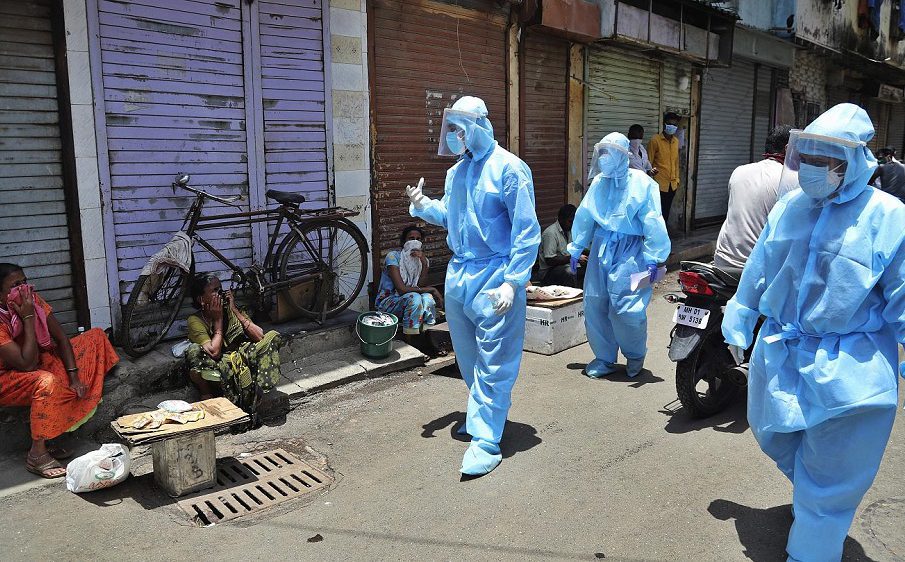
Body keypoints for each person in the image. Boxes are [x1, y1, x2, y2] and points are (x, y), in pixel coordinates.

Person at [721, 103, 905, 562]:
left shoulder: (888, 217)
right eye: (808, 158)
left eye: (826, 160)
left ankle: (812, 548)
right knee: (774, 433)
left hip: (850, 366)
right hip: (782, 350)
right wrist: (741, 310)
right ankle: (813, 501)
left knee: (833, 472)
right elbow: (761, 265)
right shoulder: (790, 207)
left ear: (854, 161)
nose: (812, 169)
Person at [406, 95, 541, 476]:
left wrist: (513, 282)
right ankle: (483, 412)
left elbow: (526, 231)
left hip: (495, 274)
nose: (454, 135)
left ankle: (486, 439)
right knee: (466, 355)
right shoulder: (457, 172)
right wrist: (423, 205)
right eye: (450, 129)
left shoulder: (510, 169)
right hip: (460, 273)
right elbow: (452, 216)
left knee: (495, 359)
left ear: (480, 125)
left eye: (460, 128)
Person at [0, 263, 118, 478]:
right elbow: (26, 364)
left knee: (96, 337)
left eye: (25, 282)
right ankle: (37, 454)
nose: (24, 289)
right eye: (15, 285)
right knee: (47, 382)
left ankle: (51, 431)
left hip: (35, 361)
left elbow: (61, 338)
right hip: (7, 377)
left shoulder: (31, 300)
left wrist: (74, 377)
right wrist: (28, 318)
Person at [568, 133, 671, 379]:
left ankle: (635, 354)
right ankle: (604, 357)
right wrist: (577, 246)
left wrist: (654, 256)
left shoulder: (642, 182)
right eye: (601, 152)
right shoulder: (598, 182)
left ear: (623, 155)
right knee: (595, 303)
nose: (604, 158)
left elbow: (653, 219)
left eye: (609, 152)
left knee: (627, 307)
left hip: (630, 251)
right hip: (601, 248)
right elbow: (585, 215)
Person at [185, 274, 283, 418]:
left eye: (220, 289)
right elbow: (214, 352)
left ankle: (259, 387)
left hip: (240, 357)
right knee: (193, 352)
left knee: (272, 336)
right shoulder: (195, 320)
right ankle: (206, 392)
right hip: (219, 364)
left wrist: (235, 310)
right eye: (214, 291)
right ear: (201, 300)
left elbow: (259, 336)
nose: (220, 293)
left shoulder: (231, 309)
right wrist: (218, 320)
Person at [713, 125, 794, 270]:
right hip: (756, 269)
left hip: (722, 260)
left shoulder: (739, 171)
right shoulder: (792, 179)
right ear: (788, 149)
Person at [375, 226, 442, 346]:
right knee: (414, 297)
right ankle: (410, 342)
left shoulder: (423, 260)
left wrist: (424, 264)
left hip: (411, 299)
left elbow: (419, 286)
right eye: (411, 238)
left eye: (418, 239)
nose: (415, 242)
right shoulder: (393, 257)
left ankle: (429, 338)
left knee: (427, 298)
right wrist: (432, 289)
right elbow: (401, 289)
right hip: (389, 301)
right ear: (403, 242)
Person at [536, 204, 584, 287]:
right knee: (570, 272)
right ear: (561, 219)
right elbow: (550, 260)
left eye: (574, 222)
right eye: (570, 222)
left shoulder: (570, 230)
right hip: (549, 272)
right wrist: (574, 258)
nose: (572, 225)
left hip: (567, 265)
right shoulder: (550, 233)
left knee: (588, 269)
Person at [647, 112, 682, 223]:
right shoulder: (655, 140)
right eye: (670, 124)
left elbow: (676, 162)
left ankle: (663, 233)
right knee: (656, 214)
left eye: (675, 125)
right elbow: (648, 163)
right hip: (658, 185)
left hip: (672, 185)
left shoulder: (676, 141)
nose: (672, 126)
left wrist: (677, 180)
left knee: (666, 214)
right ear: (664, 124)